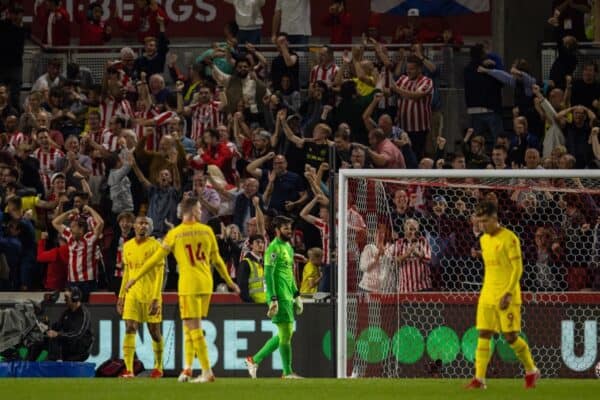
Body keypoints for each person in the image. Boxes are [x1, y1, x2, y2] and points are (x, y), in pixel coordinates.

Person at [126, 197, 240, 383]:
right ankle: (187, 369)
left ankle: (206, 371)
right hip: (206, 284)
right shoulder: (207, 230)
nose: (201, 210)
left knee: (193, 327)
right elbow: (217, 260)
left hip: (189, 285)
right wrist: (229, 282)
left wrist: (135, 277)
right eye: (199, 208)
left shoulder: (176, 233)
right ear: (193, 210)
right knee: (189, 327)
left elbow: (155, 260)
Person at [466, 201, 540, 389]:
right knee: (483, 333)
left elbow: (518, 267)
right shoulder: (483, 239)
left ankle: (531, 370)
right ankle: (479, 379)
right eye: (479, 221)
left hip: (507, 294)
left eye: (485, 221)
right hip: (487, 294)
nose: (482, 225)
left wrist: (508, 293)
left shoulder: (510, 238)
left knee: (510, 337)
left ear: (494, 219)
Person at [245, 216, 303, 379]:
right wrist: (273, 299)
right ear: (277, 230)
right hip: (279, 297)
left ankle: (254, 360)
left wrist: (297, 294)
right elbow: (268, 276)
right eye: (285, 228)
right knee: (285, 334)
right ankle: (287, 372)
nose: (289, 231)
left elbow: (289, 273)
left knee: (285, 334)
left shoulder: (288, 247)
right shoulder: (273, 249)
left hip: (288, 296)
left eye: (289, 228)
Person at [117, 216, 165, 378]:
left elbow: (160, 274)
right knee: (130, 328)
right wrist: (122, 295)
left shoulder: (156, 246)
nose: (143, 226)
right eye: (140, 223)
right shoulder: (127, 246)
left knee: (154, 332)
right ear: (134, 226)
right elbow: (127, 273)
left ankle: (158, 366)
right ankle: (129, 369)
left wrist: (156, 297)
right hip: (132, 295)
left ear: (150, 228)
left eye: (146, 224)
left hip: (151, 294)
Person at [46, 286, 94, 361]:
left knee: (58, 338)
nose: (65, 300)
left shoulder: (83, 313)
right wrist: (46, 328)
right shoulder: (67, 312)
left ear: (74, 298)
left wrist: (58, 334)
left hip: (80, 351)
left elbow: (78, 334)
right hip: (68, 348)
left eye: (67, 297)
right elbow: (57, 326)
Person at [237, 234, 267, 303]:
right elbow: (242, 288)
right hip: (254, 306)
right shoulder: (245, 263)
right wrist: (251, 304)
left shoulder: (264, 263)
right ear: (251, 245)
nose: (260, 245)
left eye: (262, 242)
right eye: (257, 242)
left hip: (266, 304)